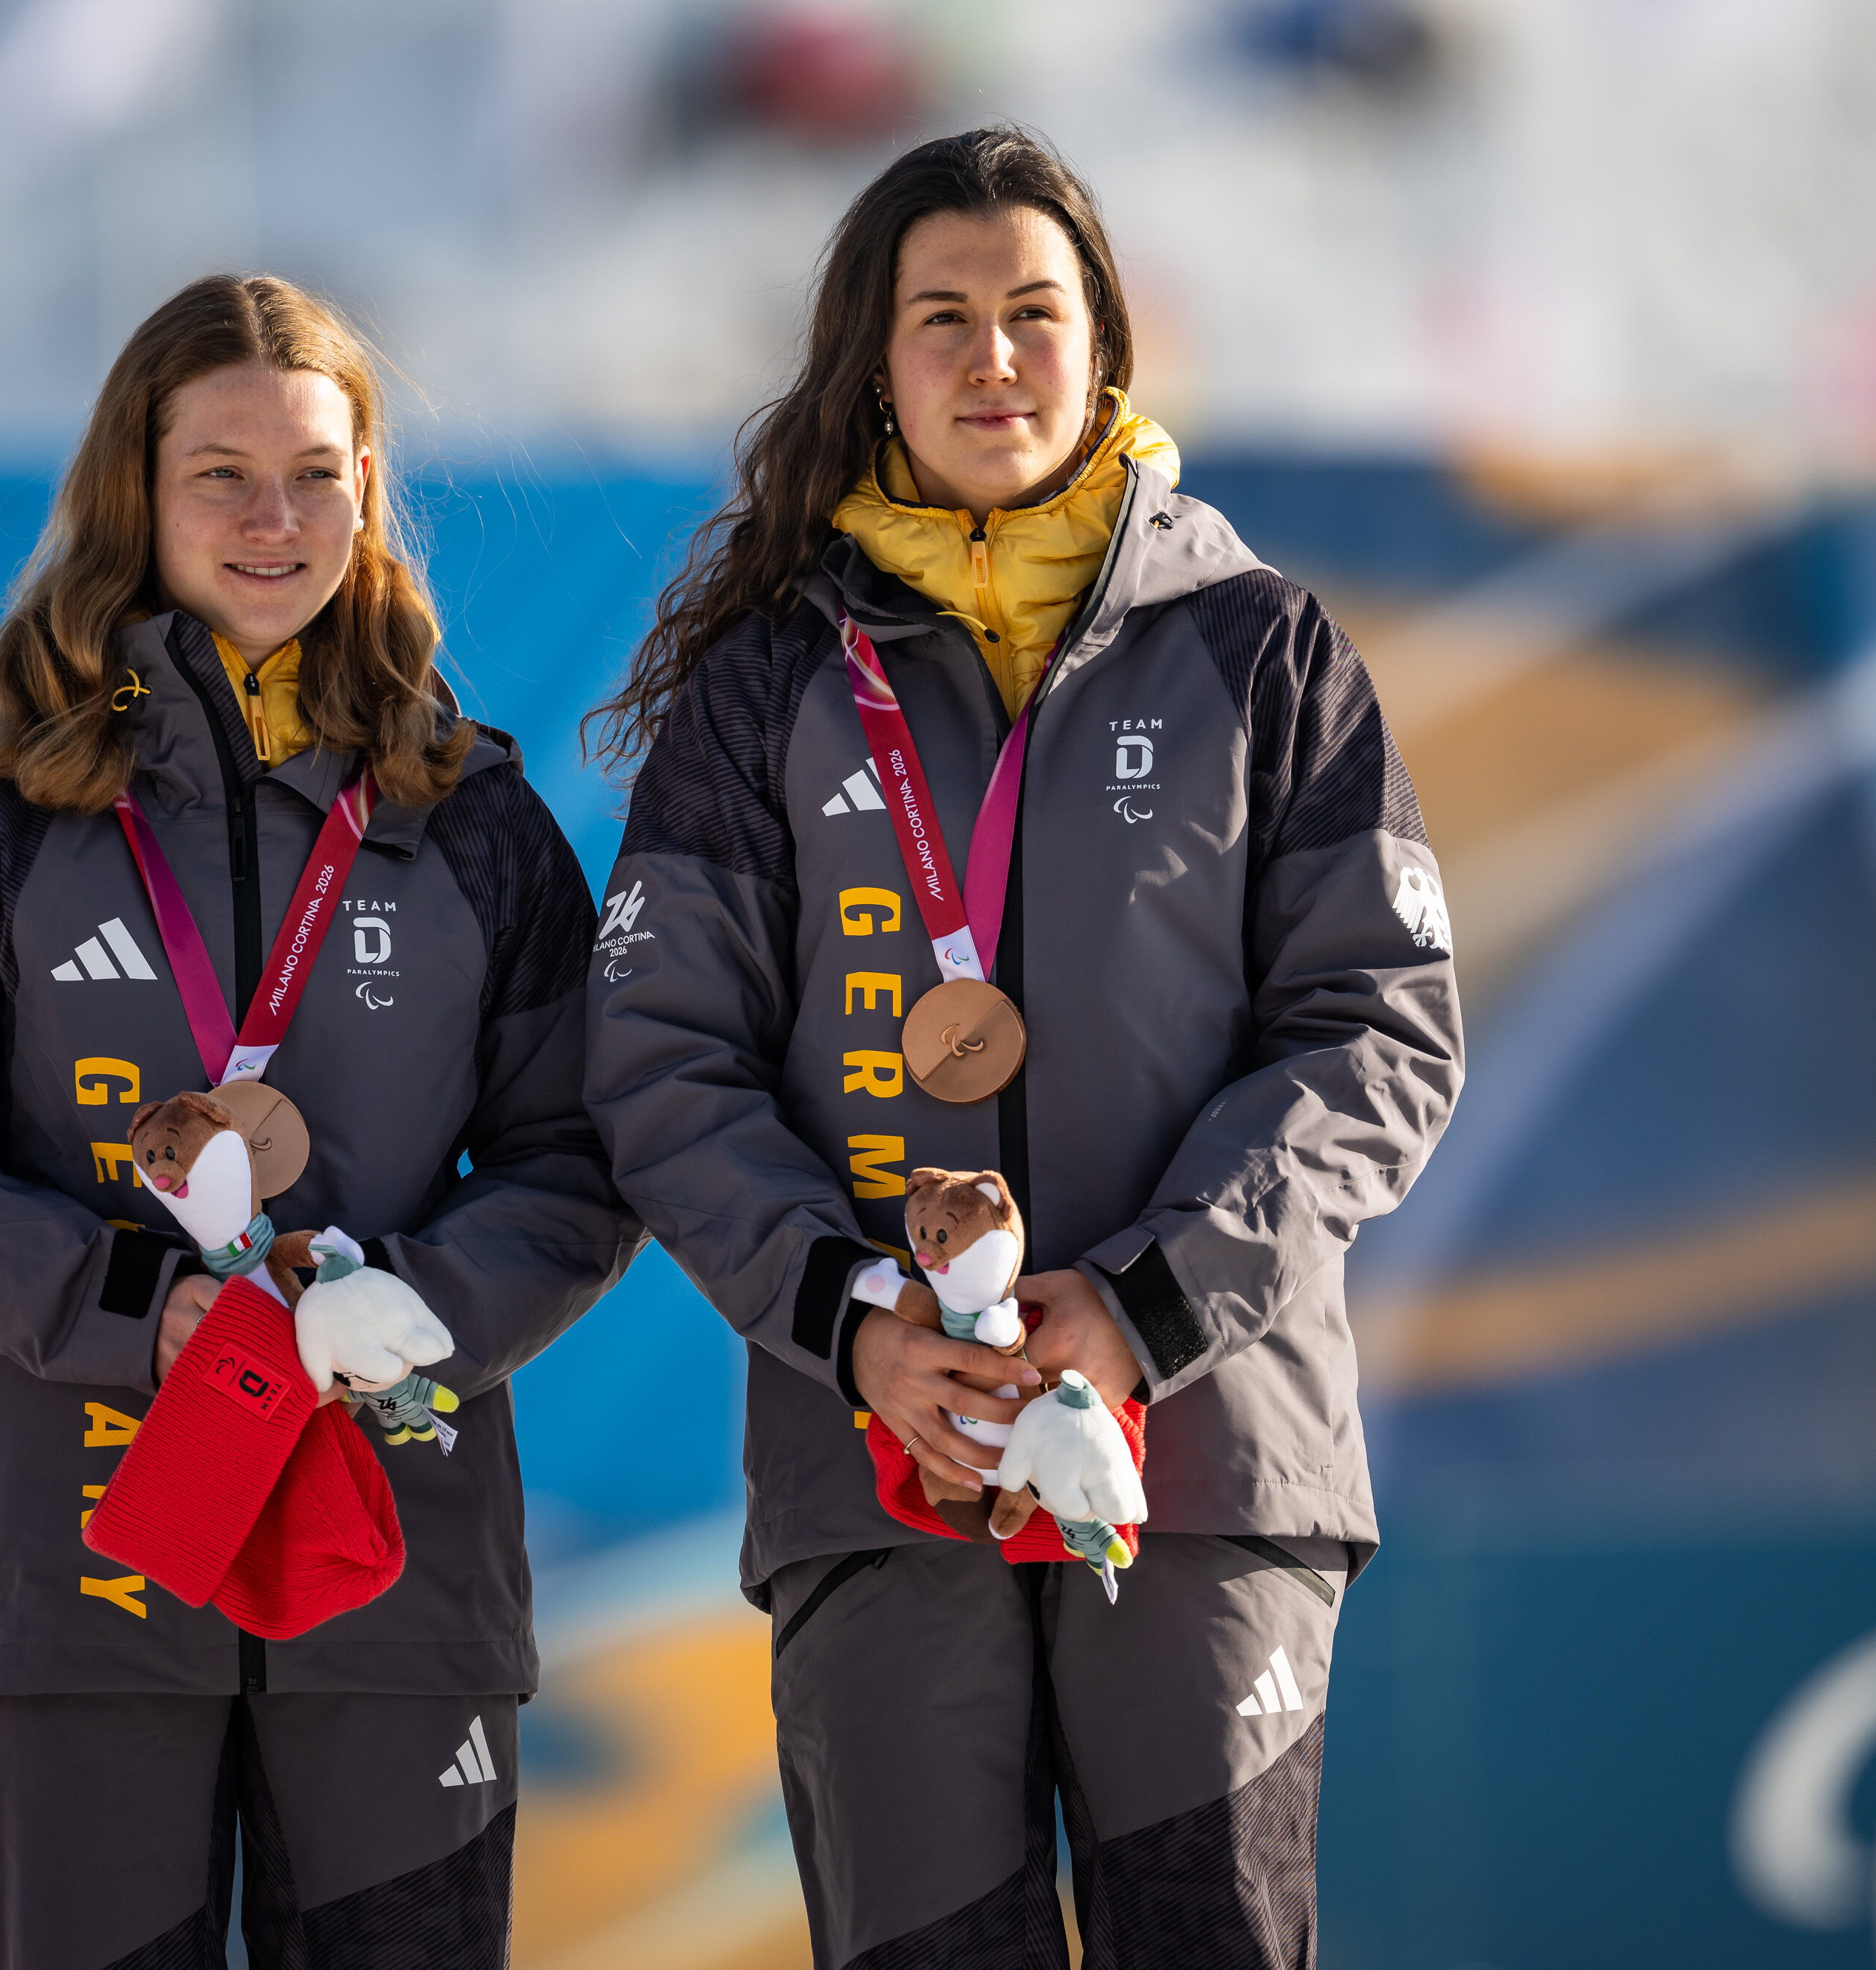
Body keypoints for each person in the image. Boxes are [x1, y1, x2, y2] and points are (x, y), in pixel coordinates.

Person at [582, 128, 1462, 1968]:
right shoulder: (770, 682)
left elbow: (1377, 1025)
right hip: (884, 1455)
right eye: (943, 319)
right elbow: (661, 1058)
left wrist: (1145, 1302)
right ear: (874, 366)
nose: (993, 358)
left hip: (1207, 1451)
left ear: (1106, 351)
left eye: (1033, 314)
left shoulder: (1261, 649)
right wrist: (851, 1322)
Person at [0, 273, 639, 1970]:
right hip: (83, 1582)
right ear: (134, 496)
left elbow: (581, 1155)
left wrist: (402, 1316)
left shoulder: (470, 817)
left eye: (318, 471)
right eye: (220, 473)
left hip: (395, 1579)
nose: (274, 516)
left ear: (369, 498)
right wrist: (138, 1306)